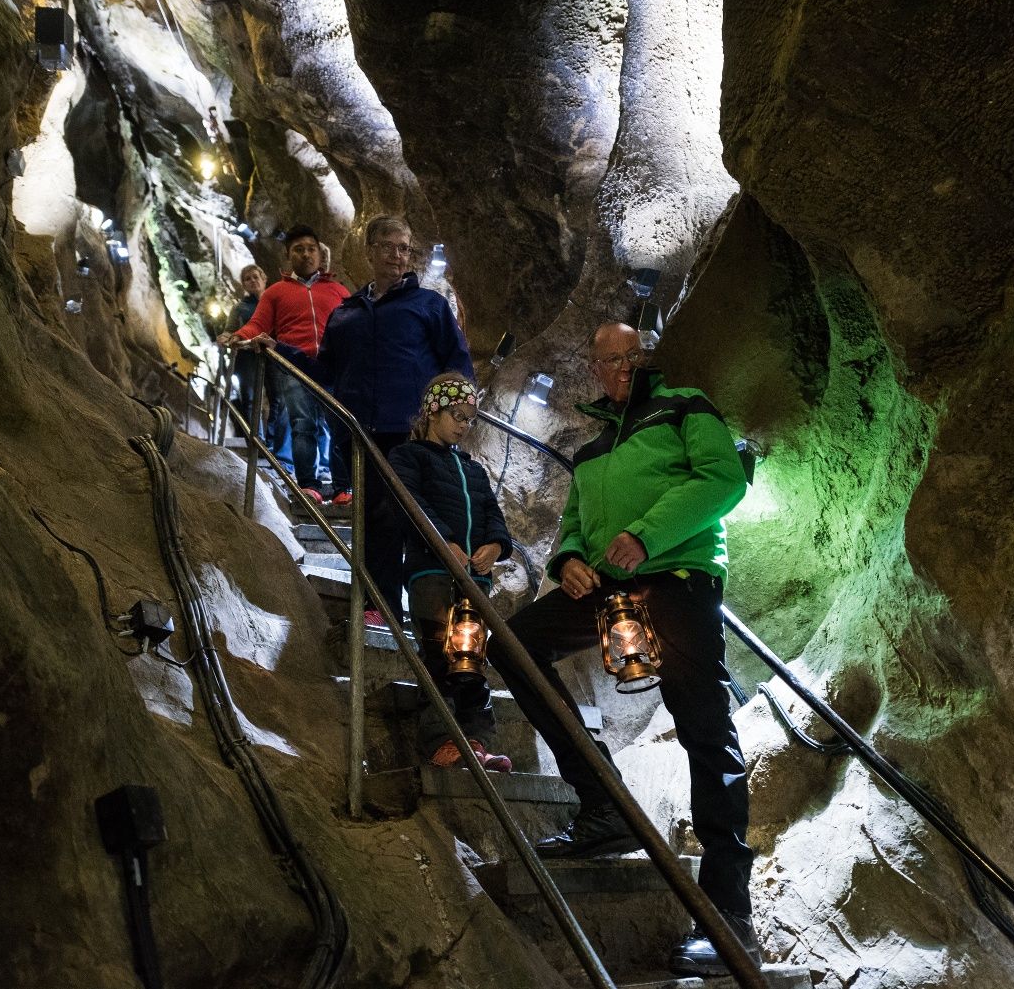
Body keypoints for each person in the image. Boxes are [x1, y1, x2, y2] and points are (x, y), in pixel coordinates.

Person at [491, 321, 758, 978]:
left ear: (645, 359)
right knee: (517, 645)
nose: (617, 368)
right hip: (608, 585)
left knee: (703, 728)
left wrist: (645, 534)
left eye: (628, 356)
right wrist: (571, 560)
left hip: (677, 575)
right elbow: (575, 527)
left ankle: (729, 916)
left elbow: (723, 478)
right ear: (595, 368)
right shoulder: (591, 450)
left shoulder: (684, 406)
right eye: (606, 359)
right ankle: (603, 801)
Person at [262, 216, 474, 626]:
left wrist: (459, 412)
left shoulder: (428, 305)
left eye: (405, 248)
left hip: (414, 433)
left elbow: (457, 362)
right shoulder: (346, 314)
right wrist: (283, 351)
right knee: (374, 520)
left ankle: (432, 613)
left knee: (412, 517)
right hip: (360, 434)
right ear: (370, 250)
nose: (398, 255)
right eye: (389, 246)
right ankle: (382, 607)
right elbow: (325, 372)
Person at [389, 373, 513, 773]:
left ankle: (477, 742)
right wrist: (444, 543)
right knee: (439, 657)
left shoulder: (471, 469)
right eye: (457, 414)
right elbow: (412, 504)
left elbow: (493, 515)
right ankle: (442, 741)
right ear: (432, 411)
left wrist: (495, 546)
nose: (463, 424)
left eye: (470, 418)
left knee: (472, 661)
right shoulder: (408, 457)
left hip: (473, 581)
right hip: (431, 574)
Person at [222, 226, 350, 503]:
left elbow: (356, 324)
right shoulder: (276, 292)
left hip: (333, 367)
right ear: (288, 255)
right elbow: (258, 323)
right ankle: (309, 485)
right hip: (295, 366)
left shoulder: (338, 291)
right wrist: (238, 336)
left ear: (320, 253)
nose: (306, 254)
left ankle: (342, 488)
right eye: (299, 249)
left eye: (311, 249)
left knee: (340, 425)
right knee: (302, 424)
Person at [213, 264, 268, 434]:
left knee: (278, 400)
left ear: (263, 278)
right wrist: (225, 337)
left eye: (255, 277)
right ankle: (257, 442)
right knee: (251, 399)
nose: (252, 281)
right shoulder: (239, 307)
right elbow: (230, 329)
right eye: (247, 279)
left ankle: (276, 446)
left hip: (272, 356)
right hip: (247, 358)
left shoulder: (273, 301)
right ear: (243, 285)